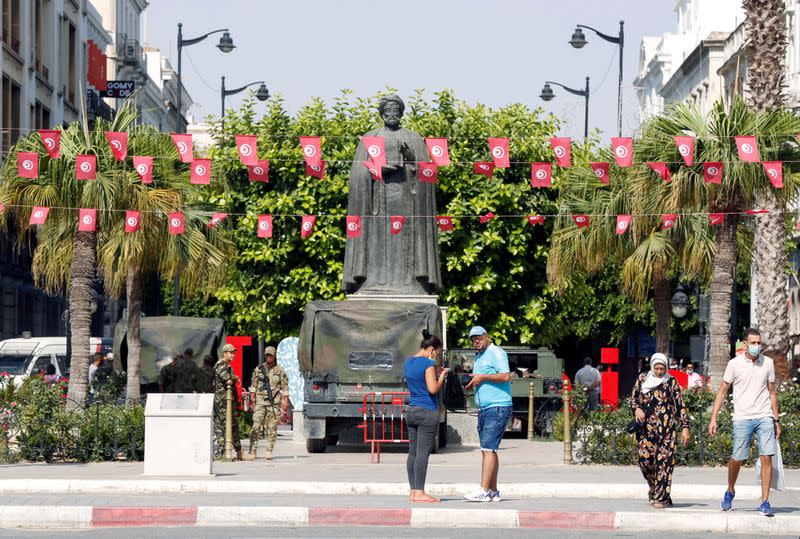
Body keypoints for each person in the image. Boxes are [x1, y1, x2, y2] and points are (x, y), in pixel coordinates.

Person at [341, 94, 441, 296]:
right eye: (388, 110)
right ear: (382, 113)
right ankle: (373, 282)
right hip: (377, 207)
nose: (392, 114)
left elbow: (428, 172)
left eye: (396, 110)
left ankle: (411, 284)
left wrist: (413, 161)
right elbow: (356, 174)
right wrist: (375, 170)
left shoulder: (413, 137)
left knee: (407, 243)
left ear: (401, 113)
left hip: (408, 204)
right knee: (377, 242)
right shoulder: (371, 138)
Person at [708, 328, 780, 517]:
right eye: (753, 343)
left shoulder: (768, 363)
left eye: (759, 342)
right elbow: (723, 391)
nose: (757, 346)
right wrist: (713, 418)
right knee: (737, 458)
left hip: (764, 415)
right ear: (745, 344)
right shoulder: (734, 364)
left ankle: (765, 501)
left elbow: (772, 392)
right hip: (742, 417)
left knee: (767, 457)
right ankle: (730, 490)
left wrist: (776, 419)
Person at [629, 353, 690, 508]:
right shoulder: (643, 379)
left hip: (667, 431)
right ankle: (654, 488)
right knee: (645, 461)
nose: (659, 371)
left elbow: (680, 406)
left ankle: (661, 498)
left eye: (662, 368)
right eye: (656, 368)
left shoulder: (671, 382)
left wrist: (685, 428)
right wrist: (637, 410)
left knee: (664, 463)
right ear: (652, 366)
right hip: (645, 430)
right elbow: (633, 398)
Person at [463, 326, 512, 502]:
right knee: (489, 450)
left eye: (479, 338)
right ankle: (493, 491)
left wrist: (482, 377)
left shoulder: (496, 352)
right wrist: (474, 382)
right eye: (473, 339)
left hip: (497, 406)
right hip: (485, 407)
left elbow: (506, 376)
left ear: (487, 336)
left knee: (487, 448)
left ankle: (483, 490)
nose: (476, 341)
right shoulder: (479, 357)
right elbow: (483, 377)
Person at [403, 330, 448, 503]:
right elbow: (433, 389)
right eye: (436, 354)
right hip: (427, 411)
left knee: (412, 453)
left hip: (412, 410)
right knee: (423, 453)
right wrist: (441, 376)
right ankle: (420, 492)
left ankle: (413, 491)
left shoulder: (408, 362)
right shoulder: (427, 364)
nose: (435, 357)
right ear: (431, 350)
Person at [245, 346, 289, 461]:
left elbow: (285, 386)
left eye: (271, 355)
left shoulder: (280, 370)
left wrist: (285, 400)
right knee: (255, 426)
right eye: (267, 355)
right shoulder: (259, 369)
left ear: (274, 356)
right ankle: (252, 451)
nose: (268, 357)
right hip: (260, 402)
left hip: (274, 402)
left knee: (272, 428)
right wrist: (252, 400)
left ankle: (269, 450)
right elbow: (254, 385)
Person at [214, 343, 242, 460]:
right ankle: (221, 453)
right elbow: (226, 377)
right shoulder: (221, 365)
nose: (234, 355)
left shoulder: (227, 366)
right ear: (225, 353)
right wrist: (235, 377)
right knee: (223, 427)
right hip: (222, 402)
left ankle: (237, 451)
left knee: (232, 425)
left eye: (234, 353)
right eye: (231, 353)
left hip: (227, 401)